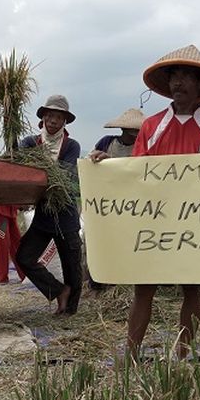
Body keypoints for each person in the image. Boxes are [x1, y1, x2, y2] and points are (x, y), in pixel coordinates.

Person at [92, 45, 200, 359]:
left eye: (185, 77)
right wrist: (105, 165)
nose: (177, 84)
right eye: (173, 77)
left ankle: (183, 355)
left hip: (195, 221)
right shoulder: (152, 127)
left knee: (192, 289)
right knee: (144, 290)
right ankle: (130, 355)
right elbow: (136, 174)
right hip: (155, 222)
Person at [15, 95, 83, 315]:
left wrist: (39, 172)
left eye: (59, 117)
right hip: (44, 215)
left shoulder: (72, 145)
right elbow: (20, 164)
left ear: (65, 122)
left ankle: (70, 310)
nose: (53, 121)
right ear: (43, 118)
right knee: (24, 257)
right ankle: (57, 291)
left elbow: (64, 174)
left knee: (72, 265)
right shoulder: (30, 142)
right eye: (50, 116)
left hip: (66, 212)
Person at [85, 107, 144, 291]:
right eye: (132, 130)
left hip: (133, 205)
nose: (135, 134)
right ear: (124, 129)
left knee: (127, 243)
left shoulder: (143, 147)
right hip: (106, 204)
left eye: (138, 130)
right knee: (101, 242)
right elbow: (89, 165)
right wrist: (101, 160)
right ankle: (98, 284)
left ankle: (124, 284)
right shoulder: (107, 143)